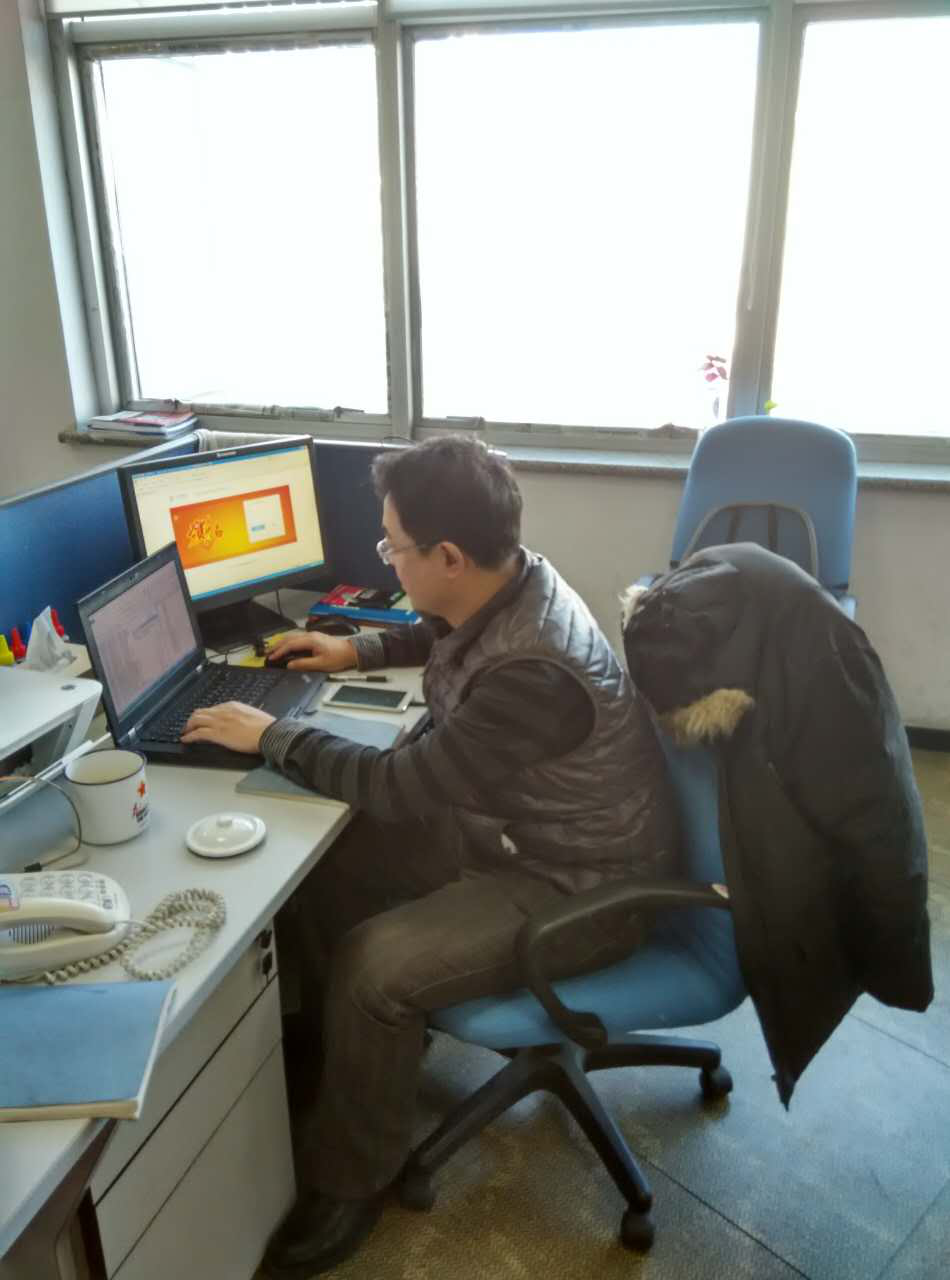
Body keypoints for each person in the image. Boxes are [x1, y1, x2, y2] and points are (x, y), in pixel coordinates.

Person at [182, 436, 678, 1279]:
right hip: (528, 832)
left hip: (581, 886)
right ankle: (351, 1058)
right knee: (333, 865)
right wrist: (358, 649)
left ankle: (352, 1182)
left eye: (393, 548)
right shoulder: (513, 580)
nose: (387, 558)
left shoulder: (533, 673)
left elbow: (401, 787)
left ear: (449, 556)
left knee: (373, 966)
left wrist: (274, 735)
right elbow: (452, 634)